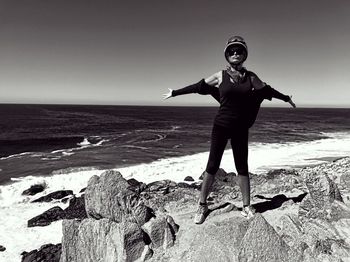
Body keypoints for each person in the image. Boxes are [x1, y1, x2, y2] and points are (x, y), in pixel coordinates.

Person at [163, 36, 296, 224]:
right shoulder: (220, 75)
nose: (235, 53)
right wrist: (175, 92)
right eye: (232, 51)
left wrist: (285, 98)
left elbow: (267, 91)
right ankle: (202, 205)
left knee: (242, 167)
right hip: (221, 126)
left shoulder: (251, 77)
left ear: (244, 55)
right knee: (212, 166)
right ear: (227, 55)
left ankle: (246, 206)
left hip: (241, 129)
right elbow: (199, 86)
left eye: (239, 51)